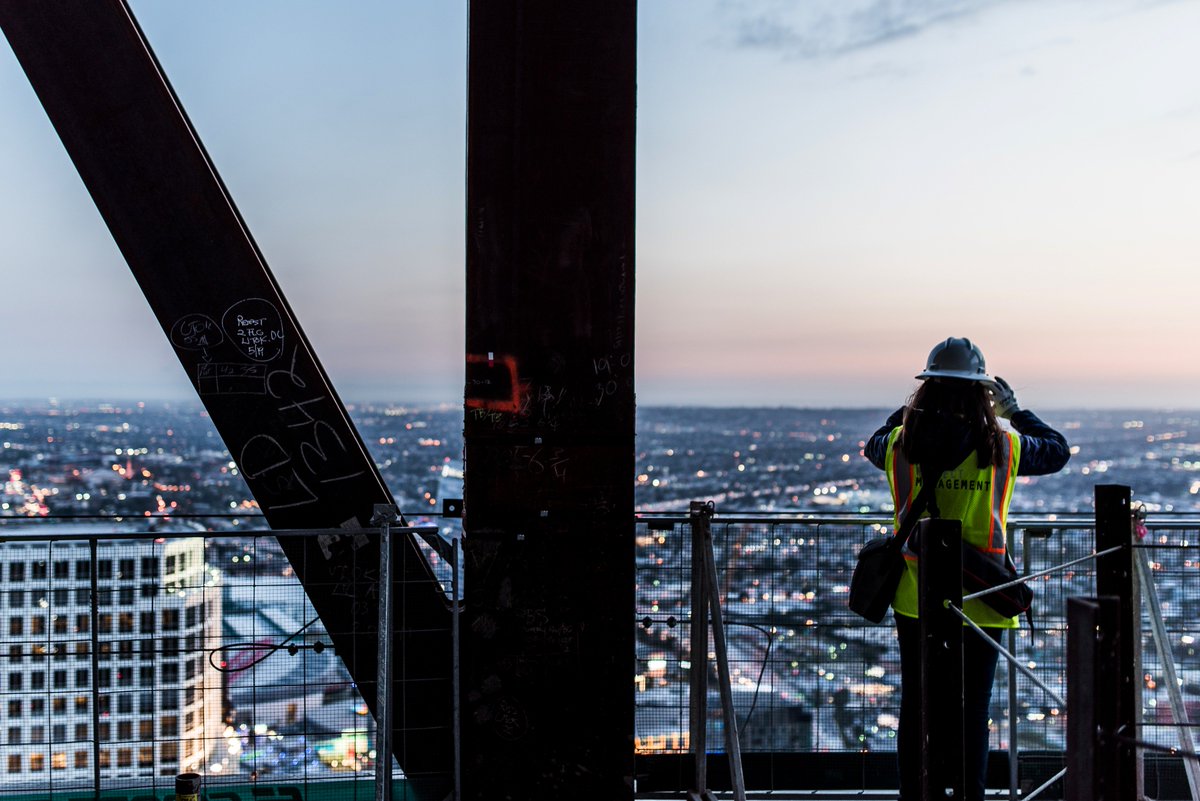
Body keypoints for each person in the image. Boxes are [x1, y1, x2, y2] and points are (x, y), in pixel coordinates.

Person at [863, 337, 1070, 801]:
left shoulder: (900, 444)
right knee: (972, 709)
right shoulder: (1005, 446)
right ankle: (969, 797)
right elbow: (1058, 451)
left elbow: (872, 444)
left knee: (918, 705)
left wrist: (907, 413)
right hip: (984, 595)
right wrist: (1013, 409)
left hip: (916, 594)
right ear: (982, 391)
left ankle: (915, 795)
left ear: (927, 387)